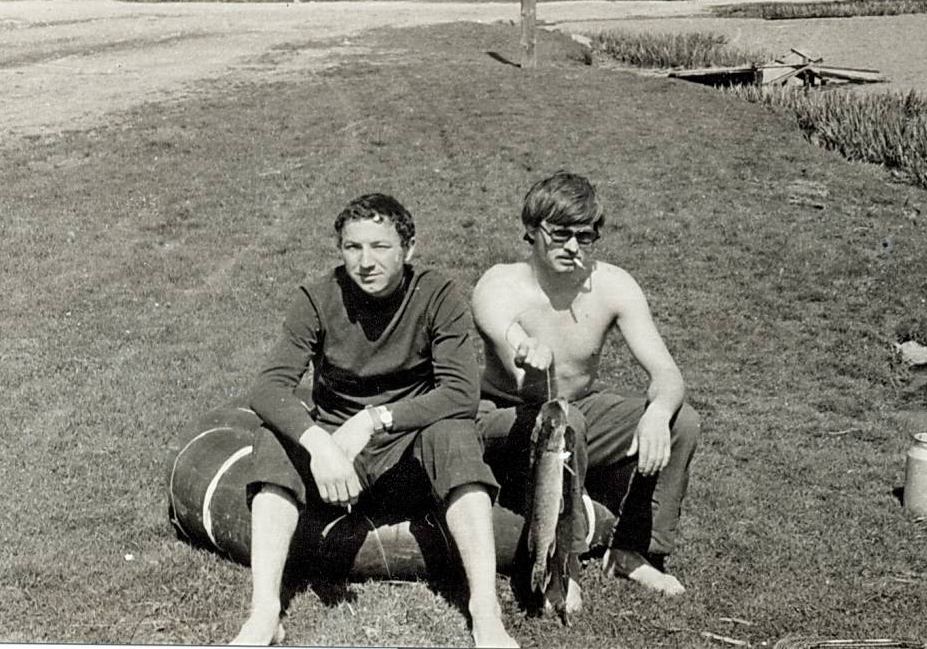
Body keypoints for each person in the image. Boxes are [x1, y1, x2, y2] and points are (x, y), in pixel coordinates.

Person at [231, 193, 517, 648]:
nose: (365, 262)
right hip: (339, 453)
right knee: (273, 439)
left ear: (409, 248)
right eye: (353, 248)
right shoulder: (316, 298)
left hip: (410, 451)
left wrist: (375, 418)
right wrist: (320, 445)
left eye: (380, 247)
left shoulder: (438, 294)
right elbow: (268, 388)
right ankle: (265, 610)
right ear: (340, 250)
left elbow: (462, 392)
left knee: (455, 433)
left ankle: (485, 609)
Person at [473, 172, 700, 609]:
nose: (573, 248)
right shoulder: (500, 284)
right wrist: (526, 351)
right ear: (531, 230)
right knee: (565, 420)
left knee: (681, 419)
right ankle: (562, 567)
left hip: (576, 407)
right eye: (560, 234)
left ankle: (632, 550)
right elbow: (531, 385)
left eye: (585, 236)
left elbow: (667, 374)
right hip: (506, 414)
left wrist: (656, 413)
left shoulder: (613, 285)